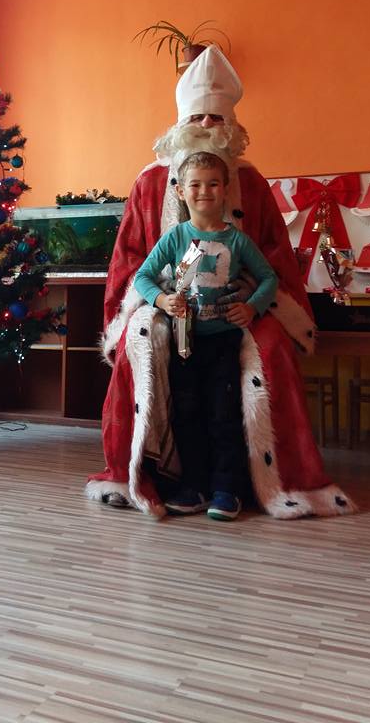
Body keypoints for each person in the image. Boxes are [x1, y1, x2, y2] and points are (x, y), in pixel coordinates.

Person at [86, 45, 355, 519]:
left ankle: (259, 478)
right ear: (181, 123)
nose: (208, 124)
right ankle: (152, 474)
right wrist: (157, 301)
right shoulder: (149, 182)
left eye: (217, 116)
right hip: (166, 303)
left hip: (236, 306)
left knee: (270, 348)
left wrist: (251, 299)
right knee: (140, 343)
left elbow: (273, 254)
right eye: (199, 116)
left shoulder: (250, 181)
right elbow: (131, 257)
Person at [134, 149, 278, 520]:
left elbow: (268, 278)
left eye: (213, 184)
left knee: (223, 415)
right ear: (180, 191)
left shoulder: (238, 241)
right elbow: (143, 277)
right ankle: (194, 487)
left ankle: (227, 489)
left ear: (226, 190)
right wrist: (163, 300)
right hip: (185, 344)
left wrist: (252, 307)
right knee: (187, 414)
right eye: (195, 185)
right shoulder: (175, 238)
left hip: (223, 343)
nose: (204, 191)